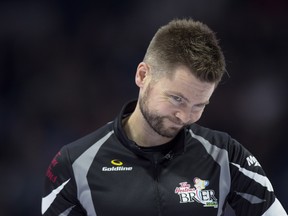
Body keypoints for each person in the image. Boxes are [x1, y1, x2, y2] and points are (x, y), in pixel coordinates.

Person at [41, 18, 287, 216]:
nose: (185, 116)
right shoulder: (74, 164)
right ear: (142, 75)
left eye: (199, 105)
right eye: (176, 98)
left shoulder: (227, 156)